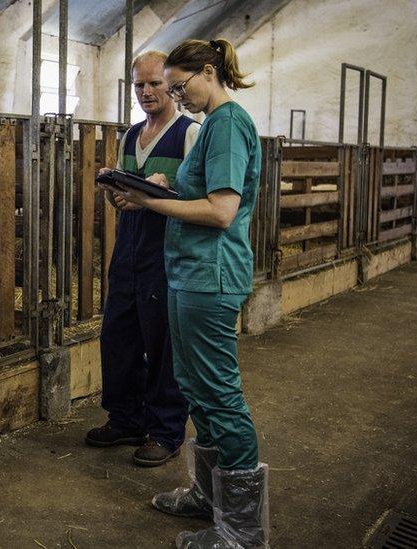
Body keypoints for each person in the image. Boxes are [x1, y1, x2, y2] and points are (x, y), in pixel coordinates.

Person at [100, 38, 269, 548]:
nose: (177, 95)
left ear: (209, 71)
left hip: (210, 275)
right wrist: (155, 189)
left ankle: (241, 532)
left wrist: (151, 204)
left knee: (219, 395)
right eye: (163, 86)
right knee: (196, 388)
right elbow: (200, 198)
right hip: (189, 271)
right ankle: (210, 495)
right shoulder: (216, 124)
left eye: (178, 86)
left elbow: (220, 212)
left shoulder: (227, 124)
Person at [85, 50, 200, 467]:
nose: (147, 92)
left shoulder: (191, 132)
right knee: (119, 335)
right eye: (139, 85)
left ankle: (165, 431)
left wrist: (162, 188)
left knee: (163, 341)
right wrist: (116, 192)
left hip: (167, 251)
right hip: (129, 249)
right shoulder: (131, 135)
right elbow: (126, 197)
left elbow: (201, 191)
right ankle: (126, 417)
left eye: (155, 83)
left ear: (171, 84)